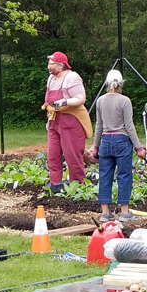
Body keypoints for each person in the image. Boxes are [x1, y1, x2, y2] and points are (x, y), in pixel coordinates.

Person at [93, 70, 146, 220]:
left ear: (107, 84)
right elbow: (129, 126)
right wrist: (139, 147)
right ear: (121, 84)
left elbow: (99, 125)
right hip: (122, 142)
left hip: (105, 141)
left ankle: (105, 213)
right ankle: (124, 212)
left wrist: (96, 146)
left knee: (104, 177)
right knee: (124, 176)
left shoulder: (100, 101)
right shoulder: (125, 101)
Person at [41, 51, 92, 194]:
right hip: (54, 120)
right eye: (49, 63)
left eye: (51, 63)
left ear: (60, 65)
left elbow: (80, 98)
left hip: (70, 120)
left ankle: (78, 186)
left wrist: (64, 102)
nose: (49, 66)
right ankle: (55, 185)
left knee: (72, 155)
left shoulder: (72, 77)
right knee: (53, 155)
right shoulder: (51, 78)